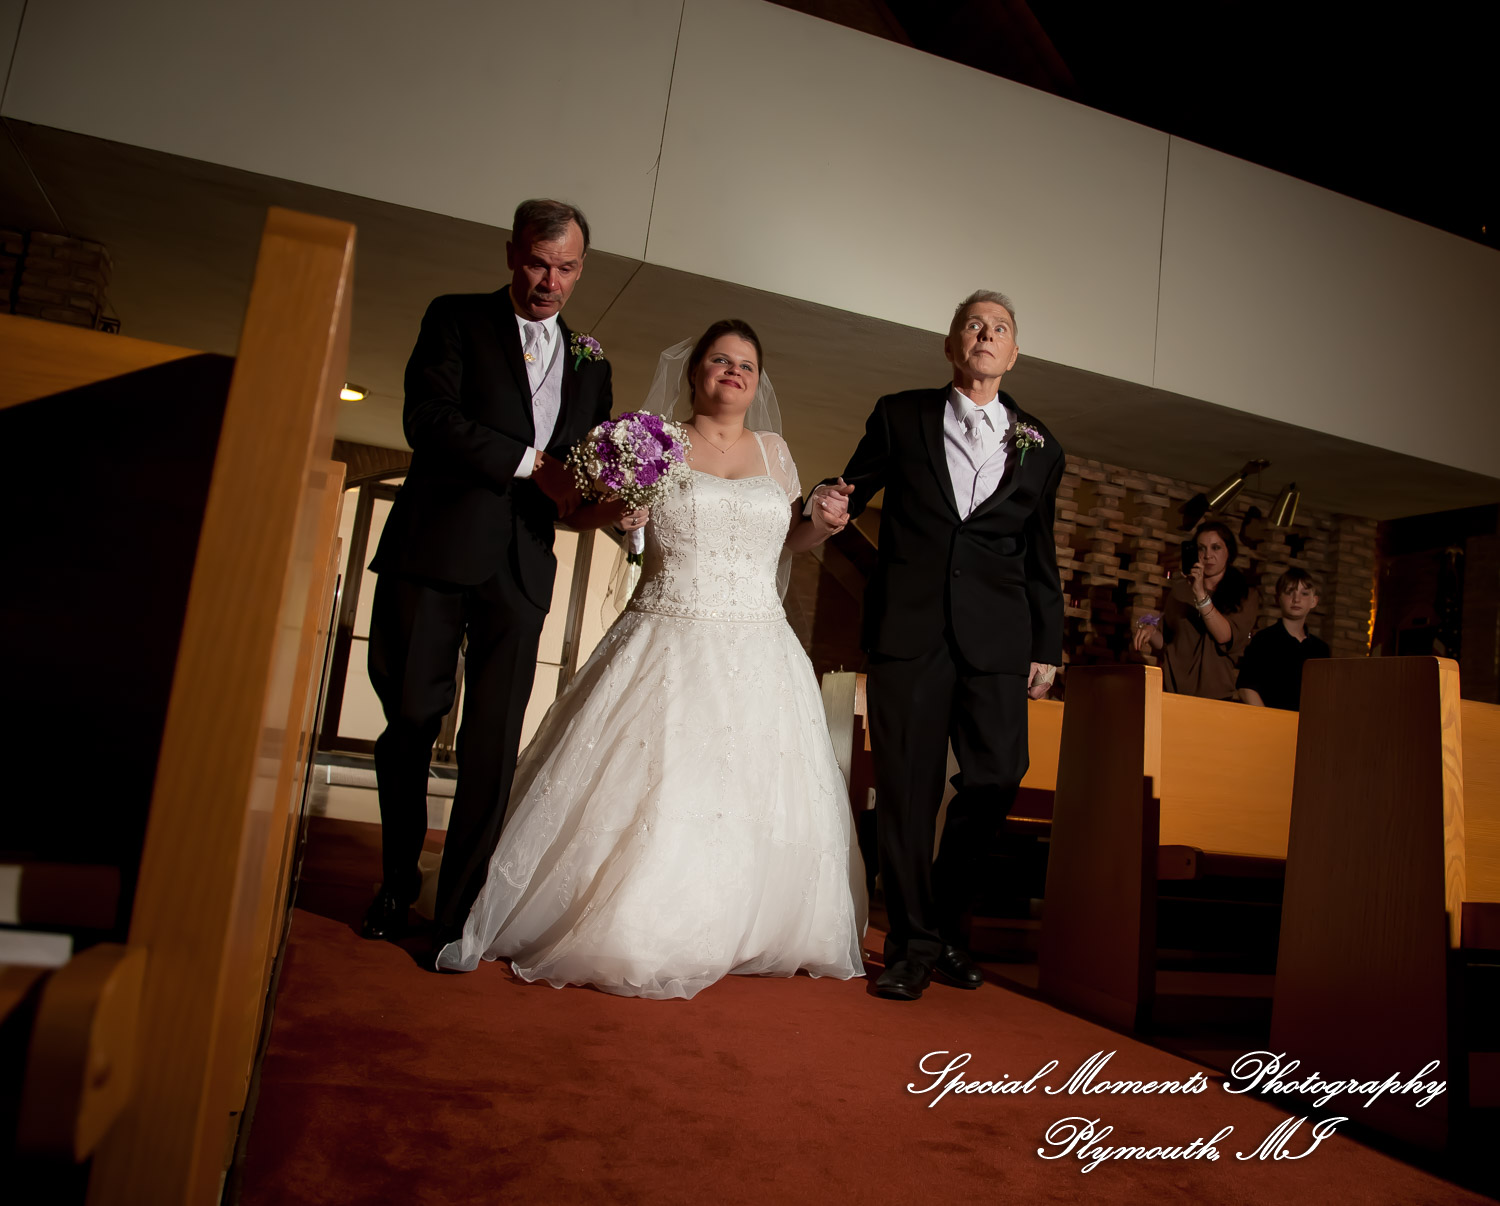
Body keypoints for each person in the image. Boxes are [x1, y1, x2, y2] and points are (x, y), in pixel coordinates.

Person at [435, 319, 867, 998]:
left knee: (752, 787)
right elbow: (598, 511)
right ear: (695, 372)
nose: (733, 372)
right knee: (656, 778)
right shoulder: (653, 441)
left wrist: (821, 519)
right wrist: (622, 513)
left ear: (758, 382)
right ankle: (633, 920)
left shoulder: (776, 450)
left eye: (746, 365)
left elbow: (788, 541)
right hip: (667, 630)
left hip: (759, 642)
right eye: (720, 360)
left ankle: (749, 923)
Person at [362, 199, 636, 949]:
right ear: (511, 253)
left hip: (521, 566)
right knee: (413, 720)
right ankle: (394, 884)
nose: (551, 281)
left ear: (582, 269)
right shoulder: (455, 318)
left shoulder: (592, 361)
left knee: (493, 741)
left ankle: (457, 916)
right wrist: (530, 465)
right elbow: (429, 419)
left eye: (568, 268)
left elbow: (578, 472)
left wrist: (618, 507)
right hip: (436, 550)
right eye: (539, 263)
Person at [812, 290, 1064, 1002]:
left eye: (1000, 329)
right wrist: (825, 505)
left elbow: (1038, 551)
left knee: (998, 774)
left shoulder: (1041, 444)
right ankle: (913, 943)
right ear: (953, 345)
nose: (986, 336)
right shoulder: (902, 415)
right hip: (910, 630)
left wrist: (1048, 641)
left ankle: (946, 924)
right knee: (907, 790)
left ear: (1014, 354)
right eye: (973, 325)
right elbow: (848, 489)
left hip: (998, 637)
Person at [1132, 520, 1258, 699]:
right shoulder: (1180, 590)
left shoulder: (1245, 594)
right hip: (1173, 691)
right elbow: (1168, 644)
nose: (1208, 555)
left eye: (1216, 548)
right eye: (1201, 548)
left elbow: (1224, 636)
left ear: (1229, 552)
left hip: (1215, 695)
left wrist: (1200, 593)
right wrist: (1150, 631)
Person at [1237, 568, 1330, 710]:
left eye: (1304, 594)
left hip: (1308, 727)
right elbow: (1246, 688)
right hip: (1270, 724)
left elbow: (1325, 696)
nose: (1296, 599)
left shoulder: (1321, 649)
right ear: (1277, 598)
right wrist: (1269, 721)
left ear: (1314, 601)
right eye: (1289, 592)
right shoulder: (1264, 640)